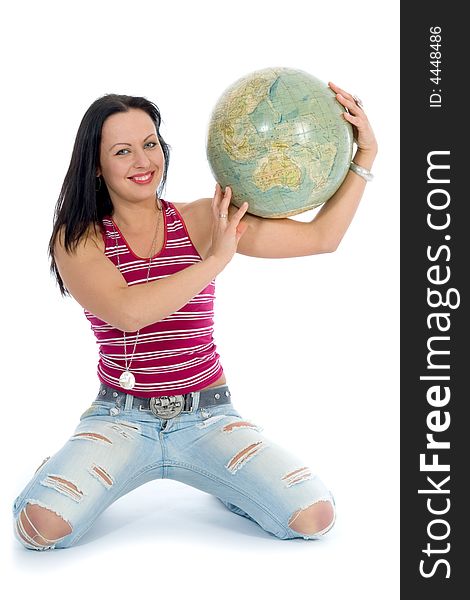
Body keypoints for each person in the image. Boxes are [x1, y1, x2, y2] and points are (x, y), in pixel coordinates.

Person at [12, 81, 377, 550]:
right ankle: (66, 465)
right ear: (97, 167)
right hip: (122, 418)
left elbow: (322, 237)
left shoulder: (204, 219)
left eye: (150, 144)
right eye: (122, 151)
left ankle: (228, 483)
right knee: (41, 531)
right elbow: (128, 313)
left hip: (207, 415)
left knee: (313, 517)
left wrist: (365, 155)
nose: (143, 162)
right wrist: (214, 261)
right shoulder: (78, 238)